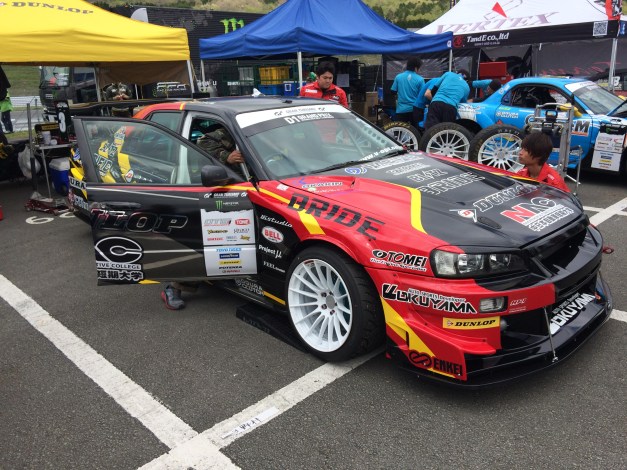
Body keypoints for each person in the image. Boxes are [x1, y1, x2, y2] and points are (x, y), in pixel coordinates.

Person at [161, 124, 244, 310]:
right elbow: (202, 144)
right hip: (218, 191)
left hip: (253, 189)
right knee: (208, 240)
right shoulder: (230, 131)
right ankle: (174, 287)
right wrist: (226, 157)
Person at [390, 56, 424, 124]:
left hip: (401, 110)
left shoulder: (398, 77)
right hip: (415, 110)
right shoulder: (420, 79)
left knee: (400, 129)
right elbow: (422, 95)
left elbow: (393, 91)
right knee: (415, 130)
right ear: (416, 68)